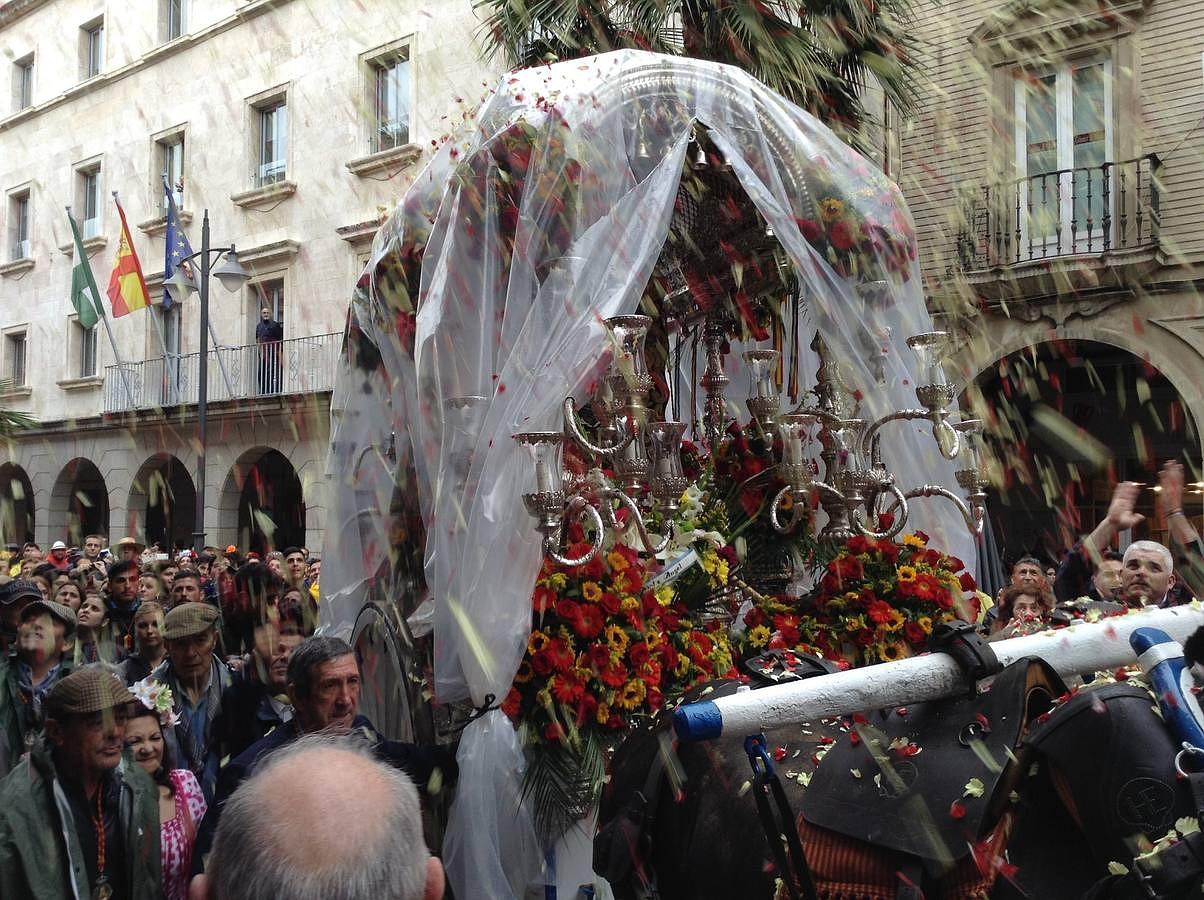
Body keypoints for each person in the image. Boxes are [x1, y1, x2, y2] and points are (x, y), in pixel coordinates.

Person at [192, 735, 444, 900]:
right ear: (431, 889)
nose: (345, 698)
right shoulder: (241, 767)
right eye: (330, 685)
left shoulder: (367, 732)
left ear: (201, 894)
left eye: (353, 681)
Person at [0, 666, 161, 900]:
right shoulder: (15, 807)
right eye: (98, 722)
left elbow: (149, 881)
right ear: (57, 732)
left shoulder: (138, 785)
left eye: (120, 718)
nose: (115, 732)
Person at [127, 679, 207, 900]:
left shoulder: (185, 784)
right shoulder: (114, 798)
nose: (148, 748)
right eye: (135, 741)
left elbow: (205, 852)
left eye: (155, 738)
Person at [209, 591, 307, 761]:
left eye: (293, 651)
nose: (284, 657)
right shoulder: (239, 701)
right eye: (277, 649)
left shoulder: (317, 701)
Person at [152, 602, 232, 798]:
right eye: (180, 644)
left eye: (200, 640)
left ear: (215, 639)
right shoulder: (147, 696)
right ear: (166, 646)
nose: (190, 653)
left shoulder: (235, 688)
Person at [0, 590, 76, 777]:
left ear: (66, 643)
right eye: (28, 620)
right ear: (17, 637)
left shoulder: (79, 686)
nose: (36, 625)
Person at [120, 601, 170, 684]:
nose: (149, 631)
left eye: (156, 624)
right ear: (135, 630)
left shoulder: (176, 662)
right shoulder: (125, 669)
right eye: (143, 626)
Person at [988, 583, 1055, 639]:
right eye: (1021, 608)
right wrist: (1003, 636)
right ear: (1011, 612)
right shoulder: (999, 633)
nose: (1028, 613)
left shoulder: (1053, 631)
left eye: (1034, 608)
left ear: (1042, 611)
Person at [107, 559, 144, 658]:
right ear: (109, 586)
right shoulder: (101, 610)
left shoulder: (146, 611)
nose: (127, 586)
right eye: (121, 581)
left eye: (132, 579)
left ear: (139, 583)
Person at [74, 591, 117, 665]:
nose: (86, 610)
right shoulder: (64, 644)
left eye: (94, 609)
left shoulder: (114, 652)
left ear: (105, 621)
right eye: (84, 606)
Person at [255, 307, 284, 394]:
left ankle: (274, 390)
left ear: (270, 314)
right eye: (264, 313)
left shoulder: (275, 325)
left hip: (274, 352)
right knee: (261, 372)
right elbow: (257, 339)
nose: (266, 314)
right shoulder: (259, 326)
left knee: (274, 371)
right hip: (263, 354)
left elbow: (280, 338)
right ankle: (263, 391)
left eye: (267, 312)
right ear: (261, 314)